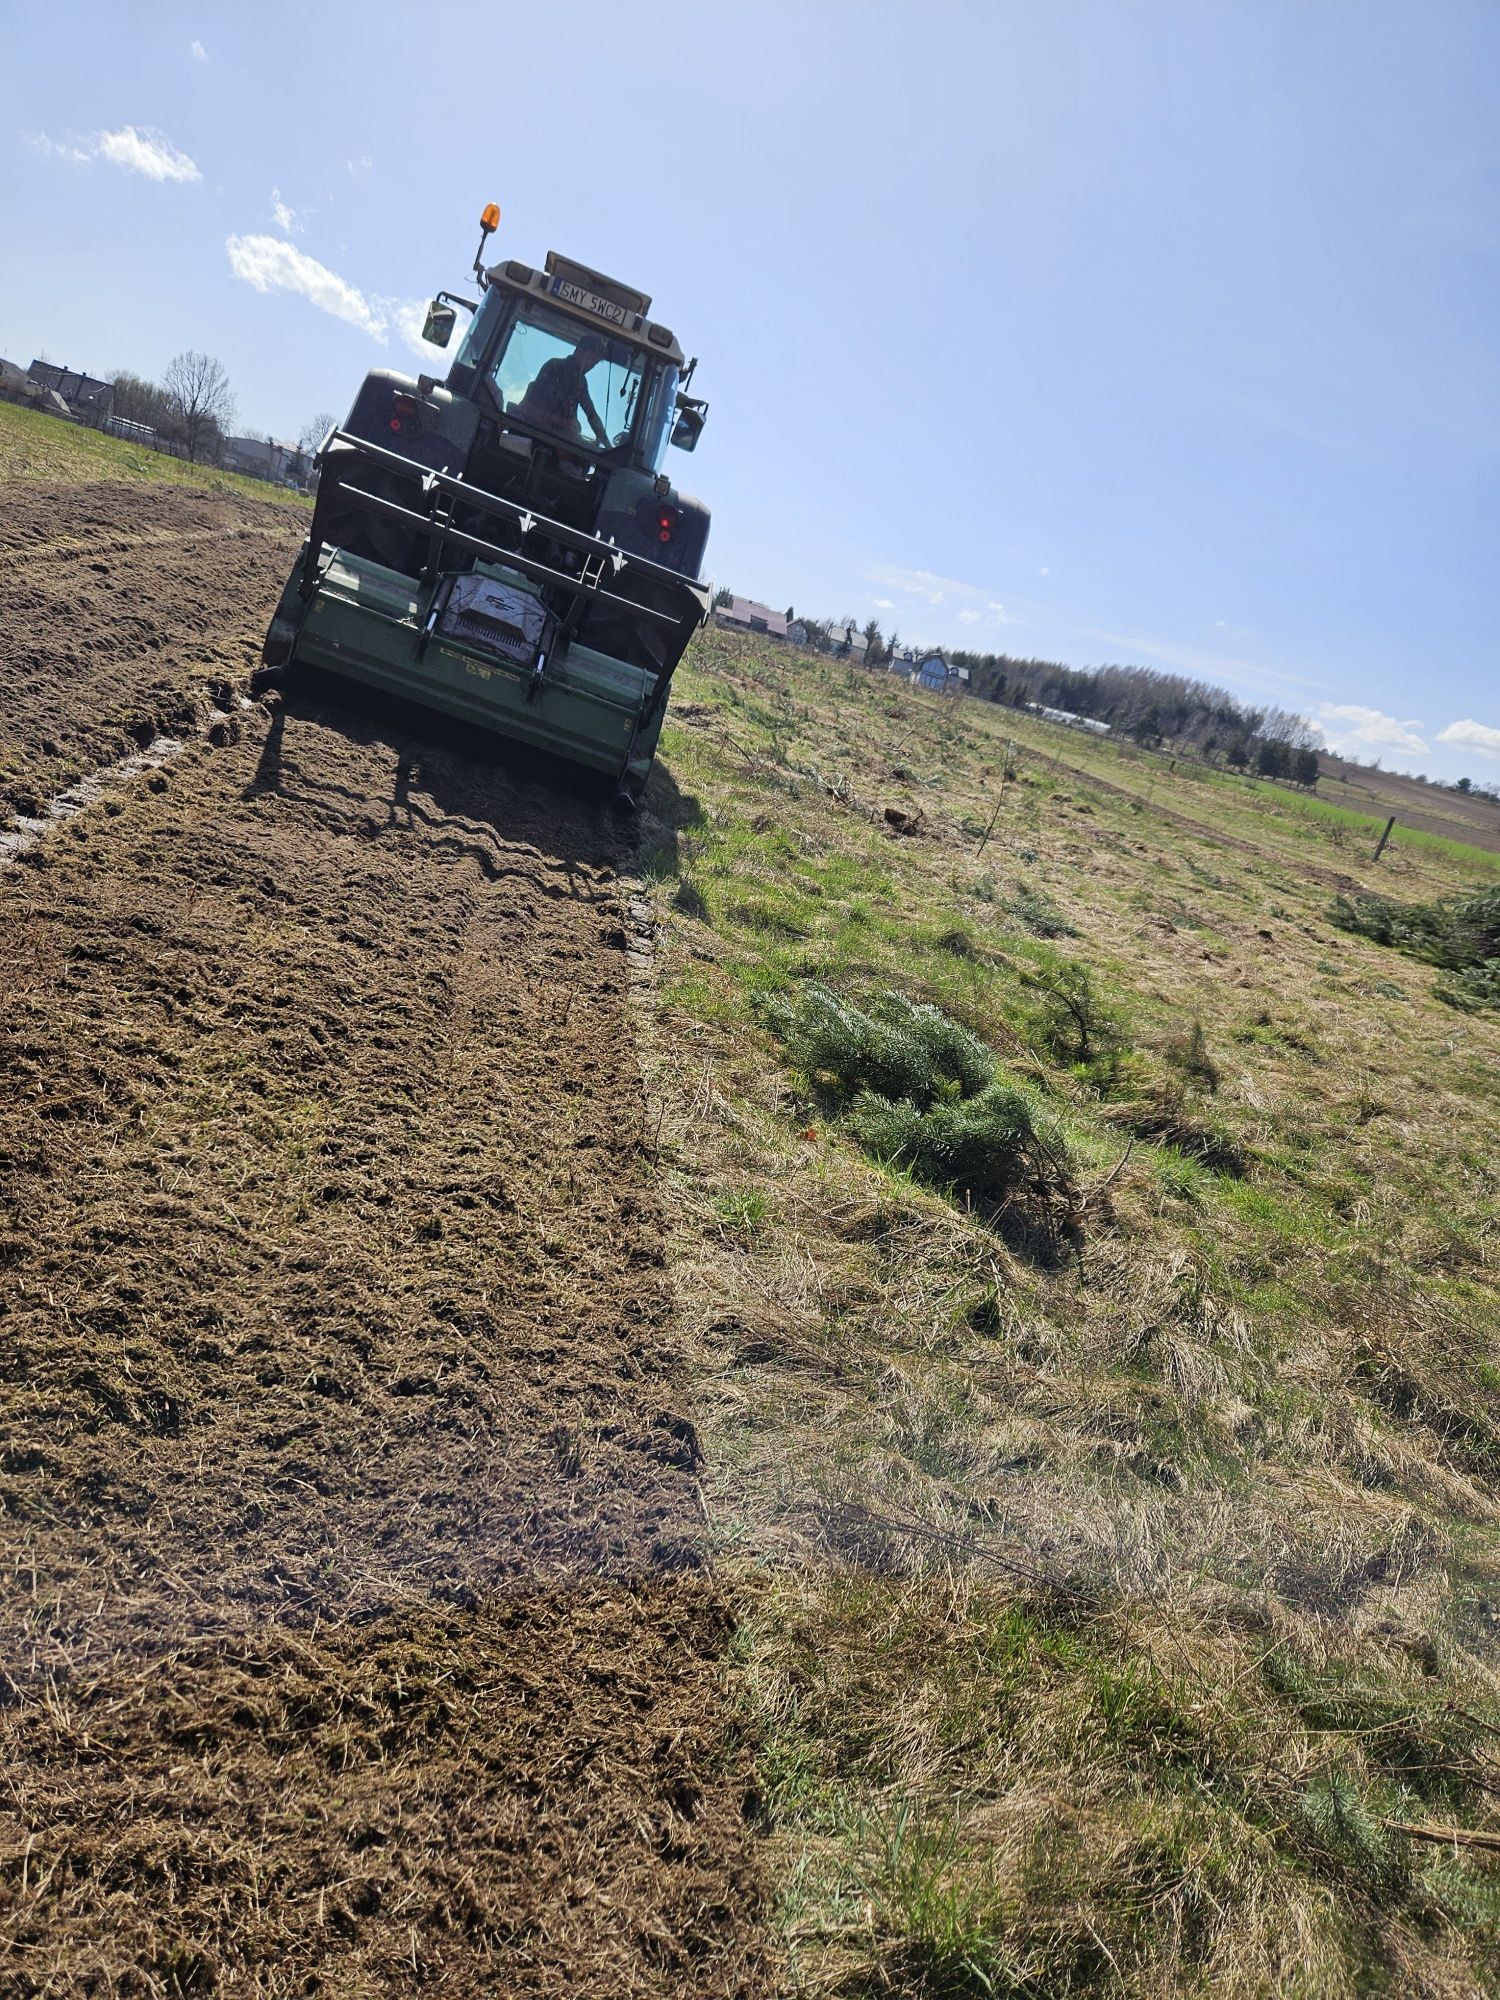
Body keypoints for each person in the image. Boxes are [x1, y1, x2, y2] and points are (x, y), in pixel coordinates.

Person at [514, 332, 611, 446]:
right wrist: (571, 426)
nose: (590, 366)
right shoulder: (554, 366)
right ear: (579, 350)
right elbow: (546, 405)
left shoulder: (581, 382)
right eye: (590, 358)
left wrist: (608, 446)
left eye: (594, 364)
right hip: (529, 435)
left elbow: (591, 413)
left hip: (553, 443)